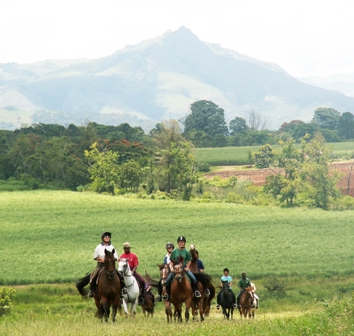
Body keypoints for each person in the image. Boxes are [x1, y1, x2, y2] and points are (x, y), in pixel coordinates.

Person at [87, 231, 127, 297]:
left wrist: (111, 260)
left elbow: (116, 257)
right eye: (106, 237)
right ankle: (91, 290)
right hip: (101, 265)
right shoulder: (98, 247)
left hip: (110, 265)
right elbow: (95, 257)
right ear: (103, 238)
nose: (107, 238)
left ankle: (123, 289)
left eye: (108, 237)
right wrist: (102, 260)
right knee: (94, 276)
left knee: (119, 275)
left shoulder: (112, 247)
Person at [163, 235, 202, 301]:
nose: (181, 243)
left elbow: (189, 260)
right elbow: (171, 261)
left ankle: (196, 291)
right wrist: (172, 268)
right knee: (168, 281)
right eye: (180, 242)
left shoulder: (186, 251)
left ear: (184, 243)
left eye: (182, 242)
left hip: (183, 268)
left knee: (193, 278)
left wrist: (187, 267)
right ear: (178, 243)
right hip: (175, 269)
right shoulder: (174, 251)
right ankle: (167, 294)